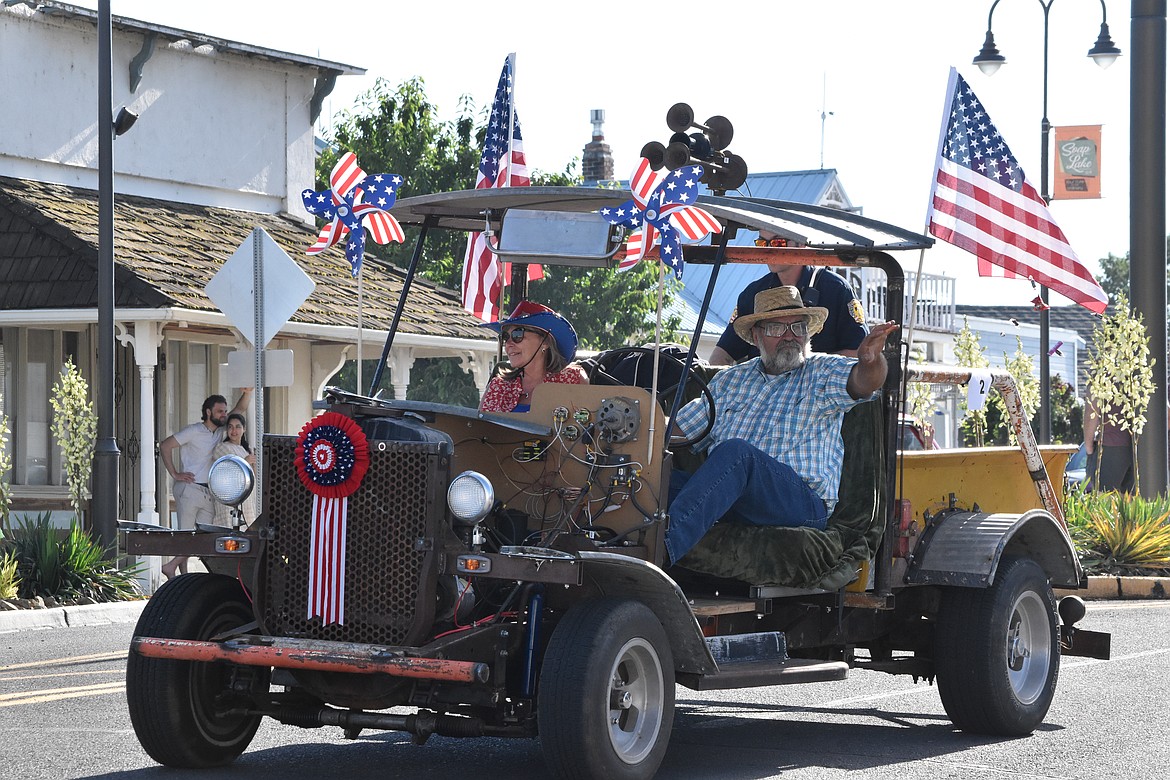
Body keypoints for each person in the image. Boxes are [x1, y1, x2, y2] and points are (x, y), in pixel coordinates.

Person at [665, 286, 898, 565]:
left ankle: (660, 557)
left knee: (737, 453)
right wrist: (633, 429)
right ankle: (608, 548)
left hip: (799, 502)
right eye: (777, 328)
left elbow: (864, 382)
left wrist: (871, 361)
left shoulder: (823, 371)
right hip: (735, 497)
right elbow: (674, 433)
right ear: (756, 336)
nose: (789, 336)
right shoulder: (730, 381)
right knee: (651, 480)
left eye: (798, 327)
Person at [707, 231, 868, 365]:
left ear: (802, 244)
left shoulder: (836, 289)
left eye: (778, 243)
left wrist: (810, 371)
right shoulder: (753, 294)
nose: (769, 250)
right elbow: (722, 355)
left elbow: (859, 353)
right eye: (763, 244)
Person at [159, 389, 252, 579]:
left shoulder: (220, 432)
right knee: (186, 536)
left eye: (225, 411)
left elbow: (240, 409)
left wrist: (248, 392)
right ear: (208, 412)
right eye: (220, 411)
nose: (224, 415)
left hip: (208, 492)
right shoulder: (193, 431)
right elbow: (165, 445)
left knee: (204, 537)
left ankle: (177, 571)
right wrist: (175, 473)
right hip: (189, 488)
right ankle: (179, 575)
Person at [480, 301, 587, 413]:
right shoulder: (497, 387)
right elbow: (479, 428)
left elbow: (590, 425)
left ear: (545, 341)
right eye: (505, 337)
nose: (508, 344)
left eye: (517, 335)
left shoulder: (573, 379)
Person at [210, 412, 257, 528]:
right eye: (230, 427)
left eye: (238, 427)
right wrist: (245, 460)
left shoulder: (246, 449)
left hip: (247, 500)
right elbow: (229, 466)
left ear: (244, 429)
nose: (234, 431)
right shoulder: (222, 447)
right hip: (229, 500)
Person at [1082, 396, 1135, 493]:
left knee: (1104, 500)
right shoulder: (1148, 381)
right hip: (1141, 448)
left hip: (1109, 446)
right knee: (1132, 503)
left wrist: (1089, 448)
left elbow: (1091, 411)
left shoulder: (1101, 381)